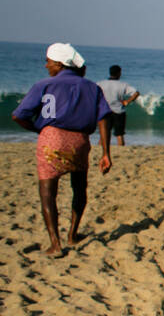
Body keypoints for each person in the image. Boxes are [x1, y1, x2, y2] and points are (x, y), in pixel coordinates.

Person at [10, 43, 113, 255]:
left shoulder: (44, 85)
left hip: (51, 139)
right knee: (79, 188)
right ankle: (73, 235)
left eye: (48, 61)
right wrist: (106, 153)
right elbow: (104, 118)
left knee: (48, 193)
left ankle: (55, 243)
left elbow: (18, 115)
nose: (46, 65)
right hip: (79, 142)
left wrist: (39, 129)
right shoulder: (93, 88)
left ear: (58, 64)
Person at [97, 65, 140, 146]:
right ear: (119, 73)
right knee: (119, 135)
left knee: (103, 134)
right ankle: (121, 149)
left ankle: (101, 151)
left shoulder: (101, 84)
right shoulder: (123, 85)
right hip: (119, 111)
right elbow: (136, 93)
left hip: (105, 111)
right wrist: (127, 101)